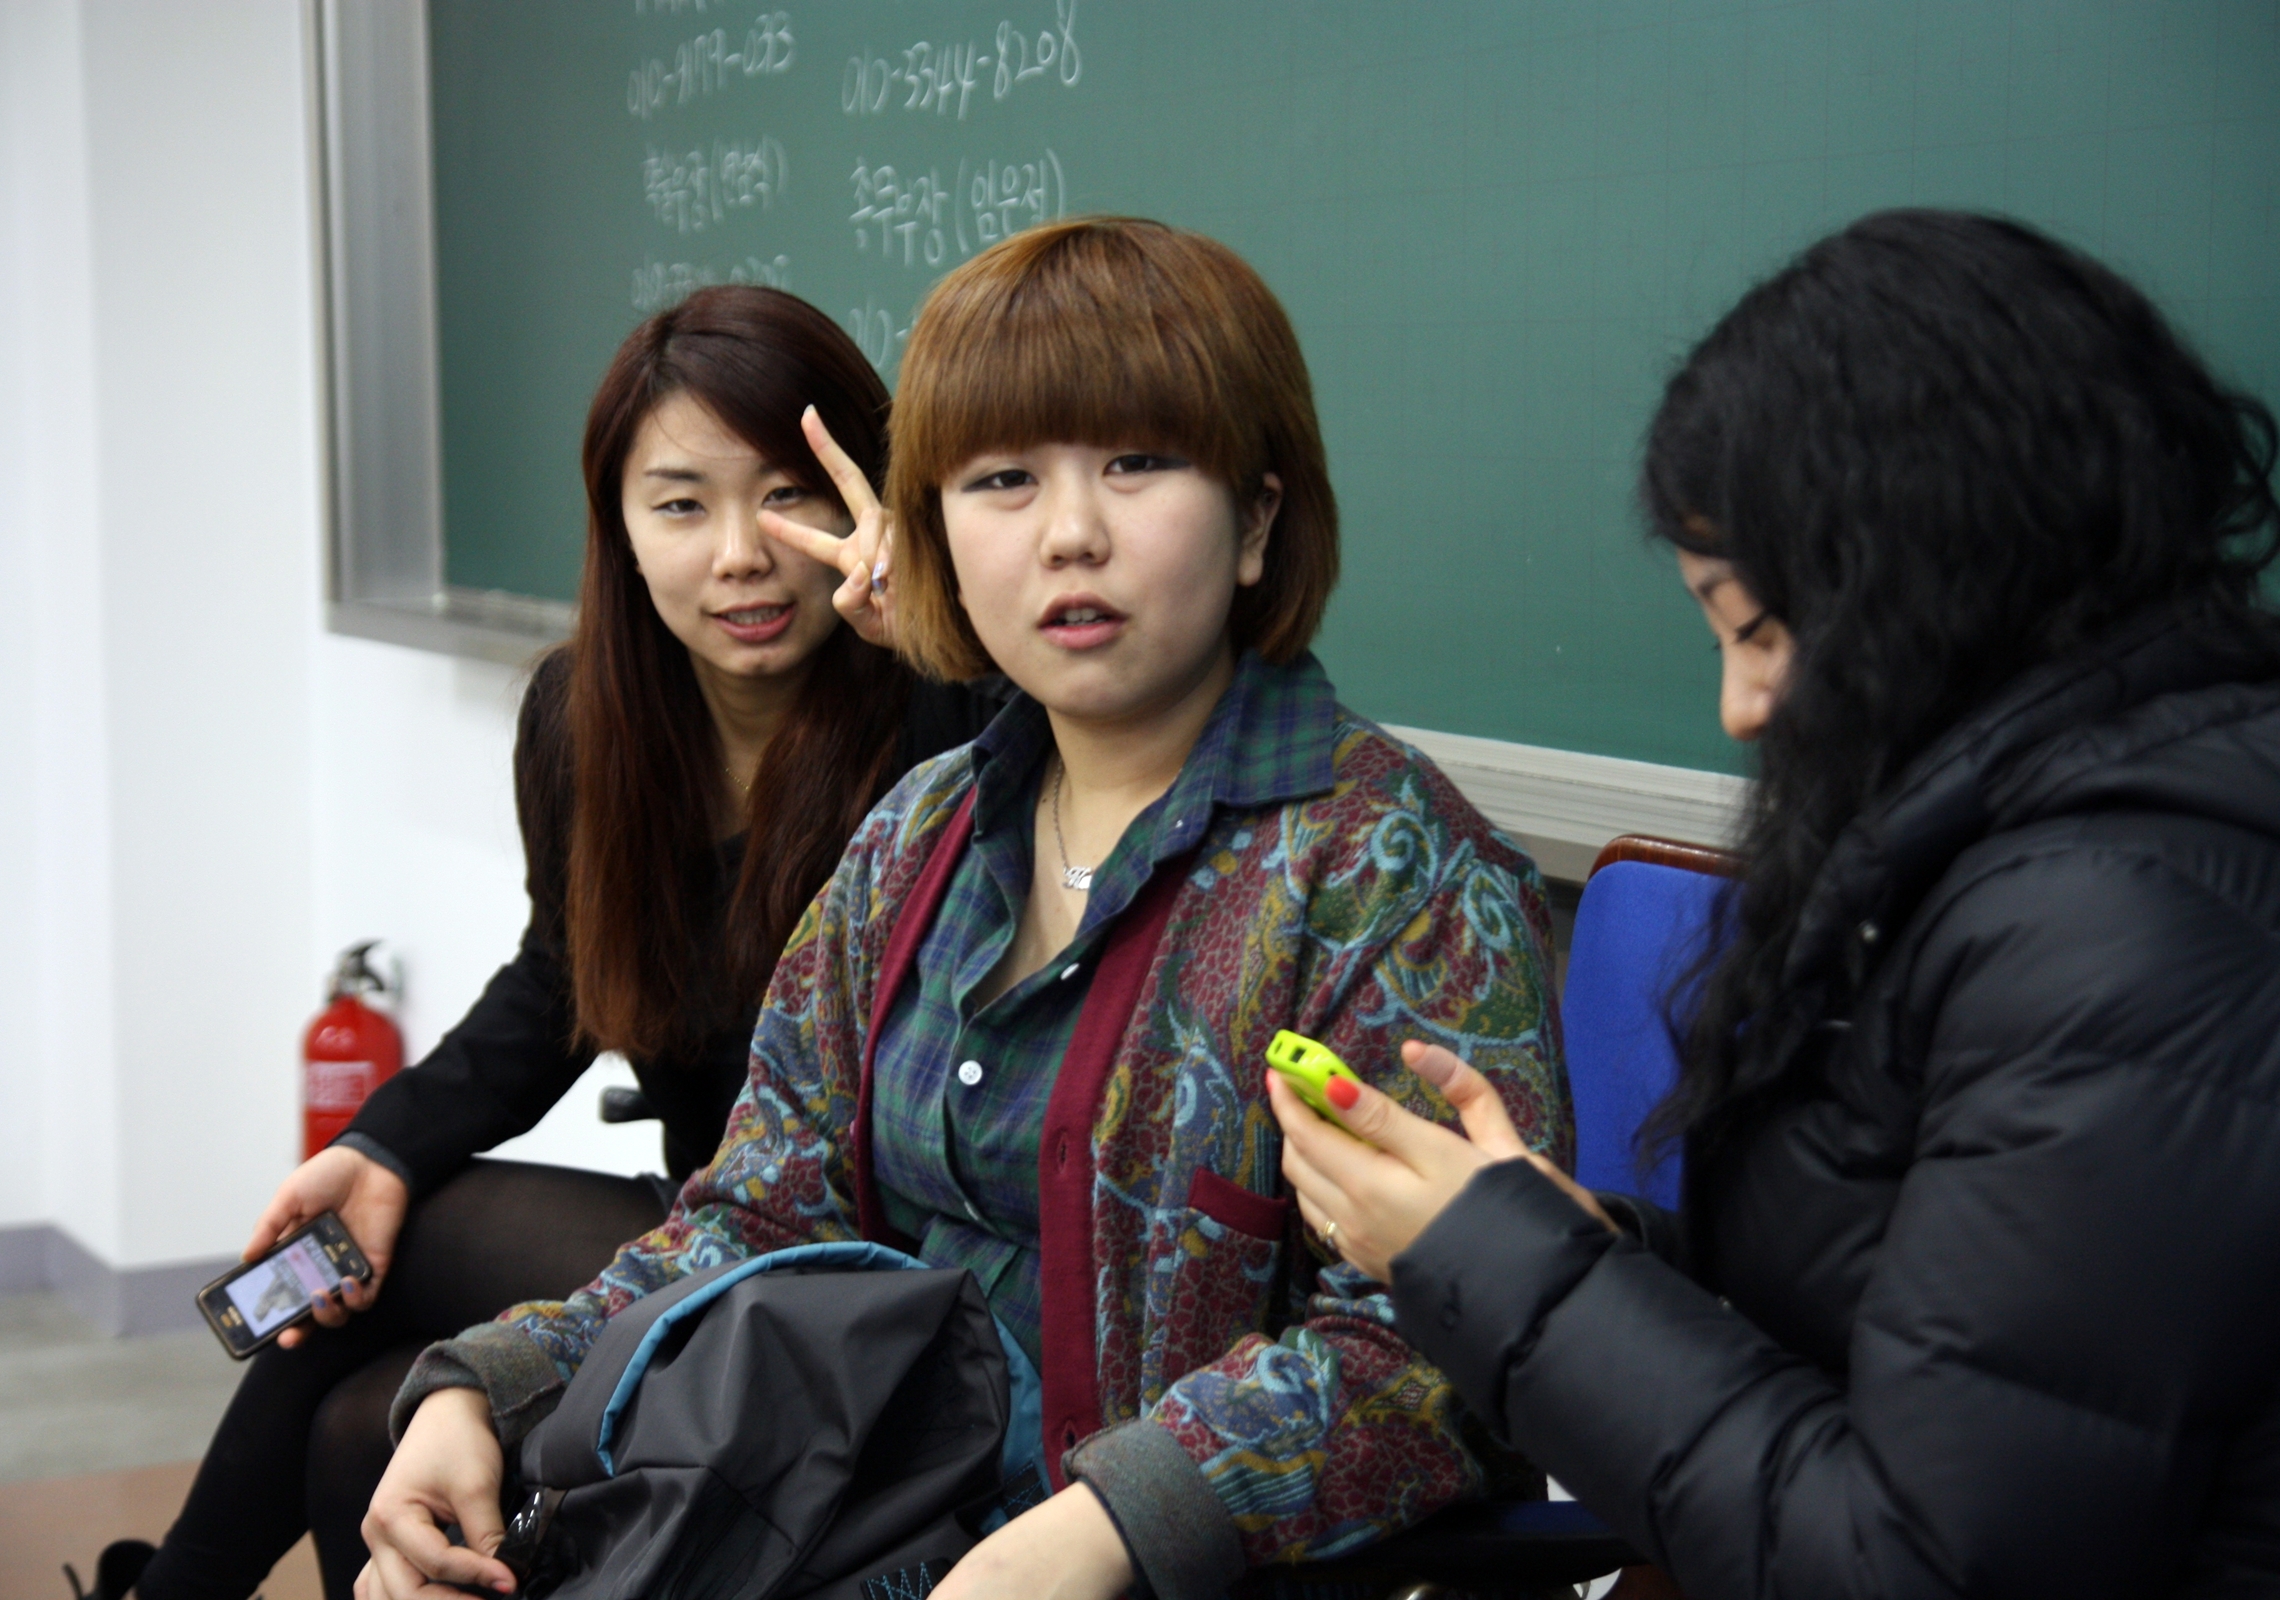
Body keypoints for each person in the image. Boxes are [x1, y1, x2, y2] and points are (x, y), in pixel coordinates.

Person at [357, 217, 1573, 1600]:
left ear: (1257, 522)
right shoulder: (914, 840)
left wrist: (1108, 1525)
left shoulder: (1394, 875)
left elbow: (1442, 1353)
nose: (1070, 533)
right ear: (934, 531)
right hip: (869, 1522)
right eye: (1002, 480)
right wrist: (487, 1388)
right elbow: (760, 1214)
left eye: (1137, 463)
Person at [1274, 210, 2280, 1598]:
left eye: (1759, 630)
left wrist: (1496, 1268)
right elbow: (1932, 1318)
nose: (1741, 707)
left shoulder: (2119, 944)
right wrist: (1574, 1250)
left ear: (1932, 573)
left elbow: (1919, 1559)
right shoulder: (2042, 848)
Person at [110, 287, 1005, 1600]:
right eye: (682, 505)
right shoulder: (587, 721)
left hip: (865, 1261)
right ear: (620, 528)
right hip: (710, 1221)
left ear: (870, 501)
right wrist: (381, 1143)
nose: (742, 555)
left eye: (788, 497)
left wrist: (949, 633)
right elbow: (562, 978)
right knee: (364, 1409)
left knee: (407, 1263)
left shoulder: (955, 719)